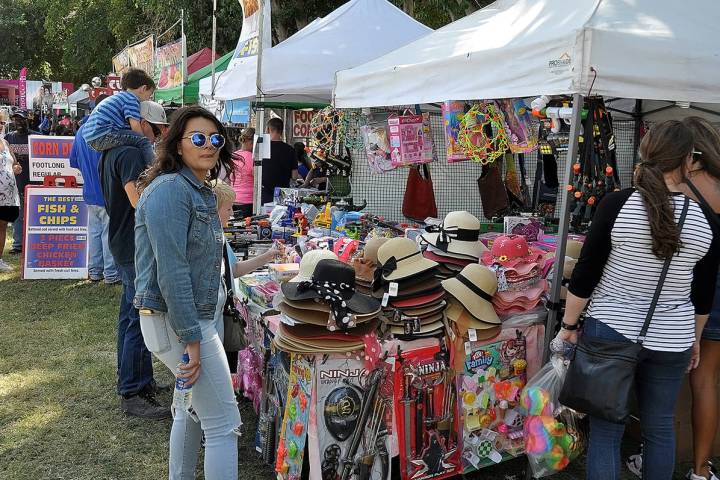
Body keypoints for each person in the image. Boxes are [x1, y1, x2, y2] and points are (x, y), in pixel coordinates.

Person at [556, 120, 720, 480]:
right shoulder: (703, 221)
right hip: (672, 339)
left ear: (646, 153)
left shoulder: (617, 205)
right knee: (660, 428)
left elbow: (586, 273)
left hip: (609, 330)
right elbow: (703, 292)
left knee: (606, 430)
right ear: (689, 161)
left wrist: (569, 326)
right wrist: (693, 340)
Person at [134, 105, 241, 479]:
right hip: (179, 322)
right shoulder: (170, 191)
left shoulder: (196, 190)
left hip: (189, 320)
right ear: (178, 145)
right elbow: (172, 272)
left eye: (215, 139)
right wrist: (192, 340)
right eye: (198, 138)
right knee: (224, 424)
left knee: (191, 410)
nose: (209, 145)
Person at [100, 100, 170, 419]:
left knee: (133, 315)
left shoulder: (113, 149)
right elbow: (137, 201)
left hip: (125, 240)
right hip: (131, 244)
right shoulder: (128, 152)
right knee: (136, 317)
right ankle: (132, 391)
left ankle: (141, 382)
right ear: (141, 123)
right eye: (155, 130)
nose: (156, 137)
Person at [210, 179, 278, 377]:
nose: (231, 213)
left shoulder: (219, 237)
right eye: (229, 208)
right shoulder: (211, 239)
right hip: (213, 317)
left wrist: (268, 256)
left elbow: (235, 269)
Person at [686, 117, 720, 480]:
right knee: (707, 380)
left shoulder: (685, 186)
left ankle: (655, 452)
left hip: (692, 289)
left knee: (664, 376)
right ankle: (701, 469)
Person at [69, 94, 120, 284]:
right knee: (108, 234)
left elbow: (73, 161)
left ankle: (95, 271)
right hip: (108, 193)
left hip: (90, 192)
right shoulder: (109, 130)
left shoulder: (81, 130)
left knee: (95, 233)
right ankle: (111, 274)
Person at [84, 68, 156, 164]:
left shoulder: (120, 97)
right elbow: (135, 127)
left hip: (91, 137)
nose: (149, 98)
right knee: (143, 141)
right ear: (143, 89)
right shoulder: (131, 99)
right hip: (104, 133)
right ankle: (153, 168)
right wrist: (142, 140)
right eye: (150, 94)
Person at [6, 111, 38, 254]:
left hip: (35, 184)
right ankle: (18, 245)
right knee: (18, 216)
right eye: (15, 119)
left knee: (36, 215)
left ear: (28, 120)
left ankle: (35, 242)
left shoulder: (37, 136)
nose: (18, 122)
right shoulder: (9, 138)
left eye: (21, 119)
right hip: (16, 183)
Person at [261, 117, 301, 204]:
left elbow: (254, 173)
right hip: (283, 193)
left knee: (263, 217)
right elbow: (294, 176)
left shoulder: (262, 148)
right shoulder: (290, 150)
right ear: (281, 131)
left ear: (268, 129)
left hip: (264, 193)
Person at [0, 136, 22, 272]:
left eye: (2, 123)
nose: (1, 126)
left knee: (2, 226)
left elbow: (14, 163)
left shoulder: (5, 142)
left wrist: (16, 167)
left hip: (8, 194)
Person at [230, 127, 255, 218]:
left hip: (233, 198)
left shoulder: (234, 156)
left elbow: (230, 178)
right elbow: (257, 177)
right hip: (248, 201)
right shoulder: (253, 158)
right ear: (252, 142)